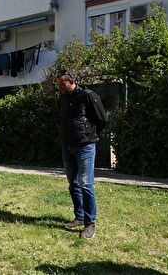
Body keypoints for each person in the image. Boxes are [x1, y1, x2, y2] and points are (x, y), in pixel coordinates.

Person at [56, 70, 107, 239]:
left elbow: (102, 120)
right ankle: (79, 216)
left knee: (86, 184)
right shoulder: (63, 97)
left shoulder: (88, 95)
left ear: (72, 81)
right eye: (58, 85)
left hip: (85, 146)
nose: (60, 88)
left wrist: (88, 135)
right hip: (67, 146)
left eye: (62, 84)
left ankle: (90, 223)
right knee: (73, 183)